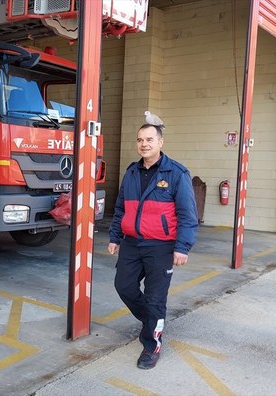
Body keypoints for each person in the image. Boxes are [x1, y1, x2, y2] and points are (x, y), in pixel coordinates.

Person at [107, 111, 199, 370]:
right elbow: (121, 208)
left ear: (160, 142)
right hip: (132, 243)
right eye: (140, 140)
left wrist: (182, 246)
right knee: (124, 286)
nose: (144, 144)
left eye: (149, 139)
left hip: (161, 246)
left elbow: (187, 214)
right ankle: (153, 321)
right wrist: (115, 237)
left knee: (155, 297)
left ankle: (151, 345)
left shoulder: (176, 173)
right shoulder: (132, 172)